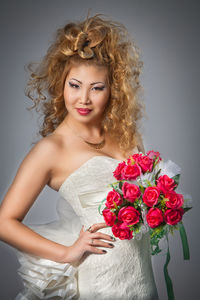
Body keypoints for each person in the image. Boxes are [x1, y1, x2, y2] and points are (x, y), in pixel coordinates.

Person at [0, 13, 159, 300]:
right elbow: (4, 222)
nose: (83, 99)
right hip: (102, 282)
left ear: (113, 91)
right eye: (75, 85)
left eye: (97, 88)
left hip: (142, 278)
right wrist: (66, 253)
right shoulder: (52, 149)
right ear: (61, 84)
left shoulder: (127, 136)